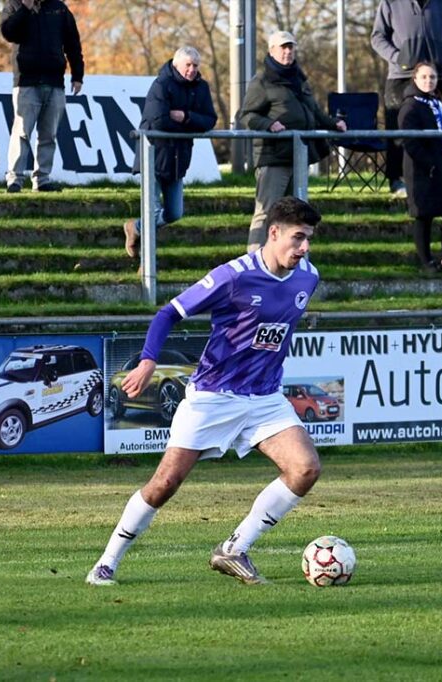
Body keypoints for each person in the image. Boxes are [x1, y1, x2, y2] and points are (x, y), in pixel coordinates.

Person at [87, 197, 324, 587]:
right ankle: (106, 562)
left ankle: (233, 548)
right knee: (165, 484)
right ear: (274, 232)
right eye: (298, 238)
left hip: (264, 398)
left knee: (305, 468)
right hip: (214, 395)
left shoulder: (307, 278)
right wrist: (148, 360)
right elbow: (169, 313)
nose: (304, 248)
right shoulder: (234, 276)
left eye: (309, 240)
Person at [239, 31, 346, 253]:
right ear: (272, 51)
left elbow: (313, 111)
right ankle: (253, 262)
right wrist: (269, 124)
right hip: (273, 157)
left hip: (299, 154)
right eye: (283, 47)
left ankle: (285, 259)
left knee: (294, 213)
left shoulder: (299, 79)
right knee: (267, 211)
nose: (287, 52)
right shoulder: (262, 81)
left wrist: (333, 123)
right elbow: (247, 116)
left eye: (291, 47)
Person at [122, 47, 218, 261]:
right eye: (188, 65)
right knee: (154, 212)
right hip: (154, 157)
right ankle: (147, 265)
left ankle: (135, 227)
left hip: (178, 159)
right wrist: (192, 125)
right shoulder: (161, 85)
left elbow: (210, 120)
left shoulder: (201, 88)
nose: (192, 70)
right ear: (176, 65)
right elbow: (159, 121)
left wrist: (185, 117)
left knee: (174, 213)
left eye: (195, 66)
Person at [371, 0, 442, 198]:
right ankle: (397, 179)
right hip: (400, 77)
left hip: (435, 77)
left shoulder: (440, 3)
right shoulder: (390, 3)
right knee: (398, 130)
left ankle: (439, 175)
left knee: (439, 129)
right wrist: (397, 57)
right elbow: (377, 37)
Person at [0, 0, 84, 193]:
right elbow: (8, 32)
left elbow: (72, 42)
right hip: (26, 82)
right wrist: (25, 9)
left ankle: (42, 179)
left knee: (48, 135)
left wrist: (77, 75)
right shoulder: (15, 5)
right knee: (21, 133)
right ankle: (14, 179)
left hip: (55, 82)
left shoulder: (59, 8)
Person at [398, 62, 442, 271]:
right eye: (424, 77)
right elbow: (409, 141)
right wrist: (428, 164)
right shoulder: (410, 106)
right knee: (424, 215)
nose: (428, 81)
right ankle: (426, 261)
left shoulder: (438, 102)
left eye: (432, 77)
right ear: (415, 79)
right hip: (422, 169)